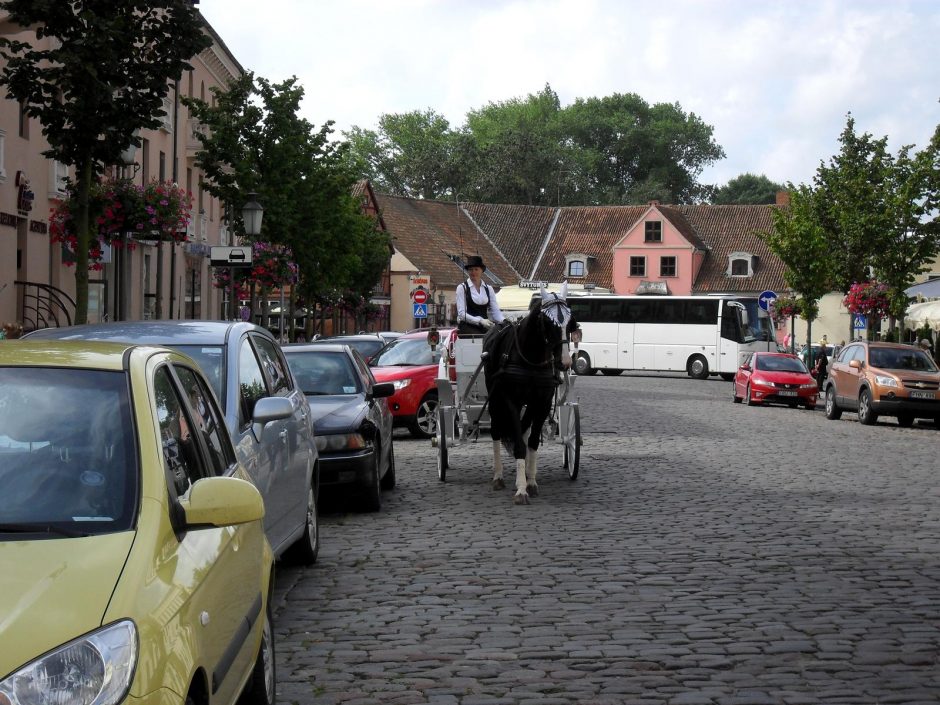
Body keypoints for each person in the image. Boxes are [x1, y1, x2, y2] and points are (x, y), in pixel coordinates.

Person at [456, 255, 505, 335]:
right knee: (481, 338)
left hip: (485, 326)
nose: (473, 272)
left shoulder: (489, 289)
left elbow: (495, 311)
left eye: (476, 269)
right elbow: (462, 314)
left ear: (482, 270)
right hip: (468, 326)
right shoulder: (462, 288)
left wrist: (504, 321)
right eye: (471, 270)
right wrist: (480, 321)